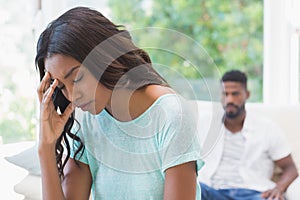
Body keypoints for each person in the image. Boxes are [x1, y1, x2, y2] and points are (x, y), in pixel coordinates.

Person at [35, 6, 203, 200]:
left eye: (77, 77)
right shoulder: (86, 121)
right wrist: (45, 147)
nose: (72, 96)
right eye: (62, 87)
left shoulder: (172, 114)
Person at [198, 70, 298, 200]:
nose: (230, 99)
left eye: (235, 94)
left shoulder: (267, 128)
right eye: (225, 94)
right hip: (211, 191)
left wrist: (279, 188)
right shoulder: (204, 124)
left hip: (252, 193)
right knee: (194, 188)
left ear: (247, 94)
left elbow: (290, 168)